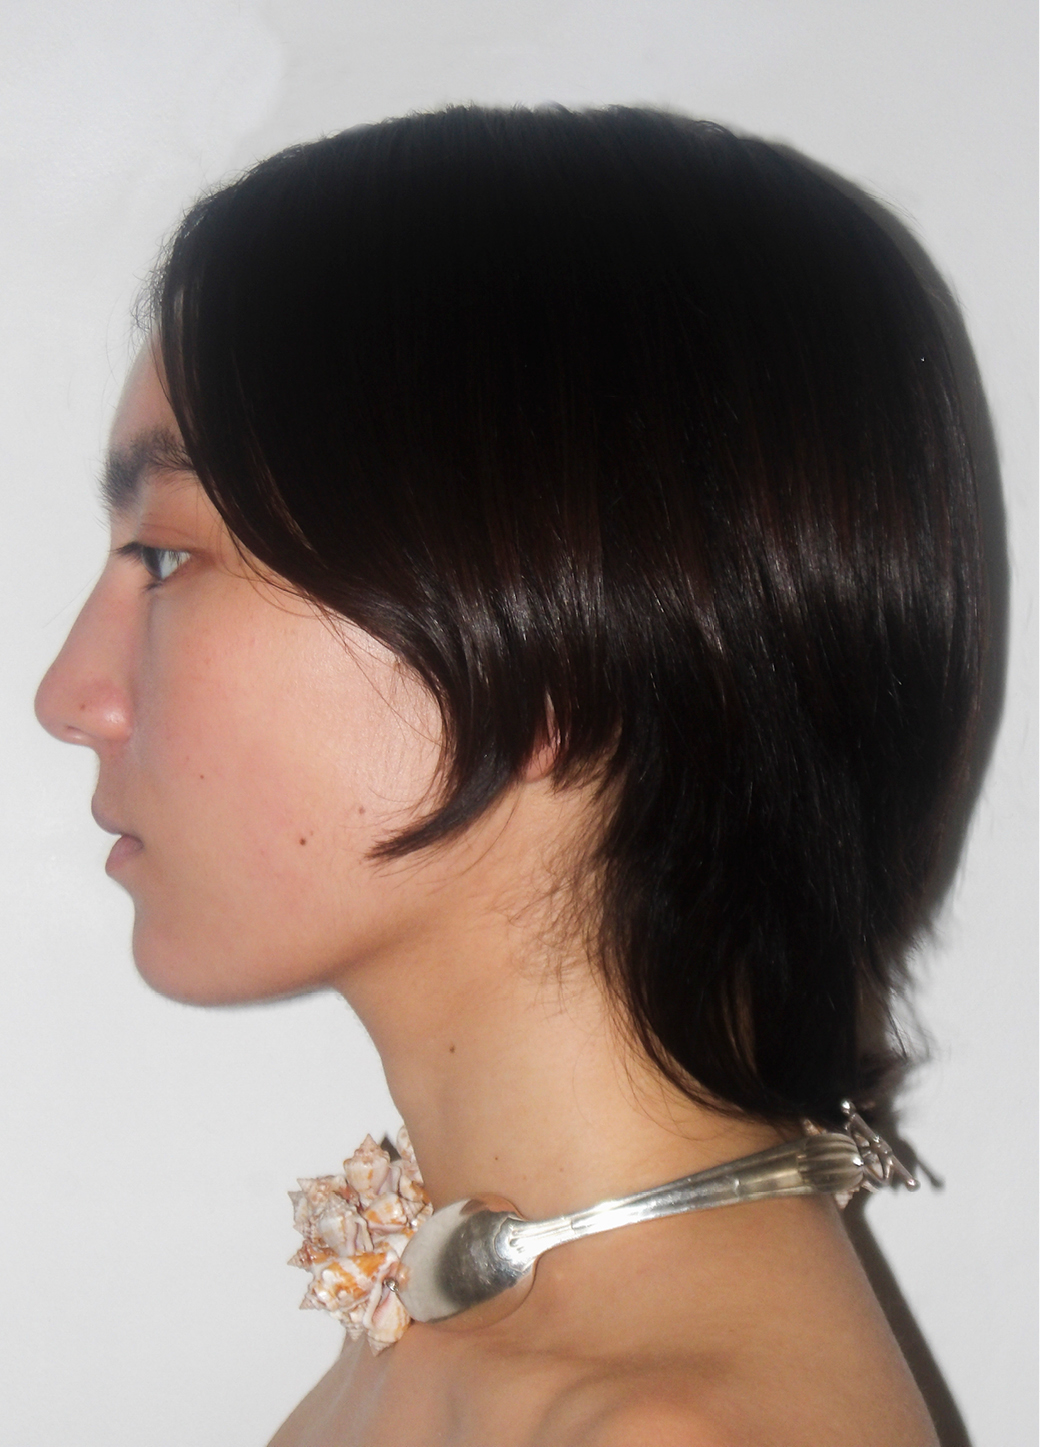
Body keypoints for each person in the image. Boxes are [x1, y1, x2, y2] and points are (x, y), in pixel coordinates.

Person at [35, 105, 988, 1446]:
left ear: (547, 639)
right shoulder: (463, 1346)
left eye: (169, 557)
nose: (72, 697)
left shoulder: (665, 1434)